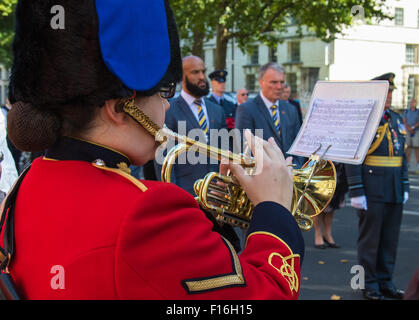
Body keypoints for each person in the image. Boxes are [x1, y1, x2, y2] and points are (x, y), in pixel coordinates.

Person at [0, 0, 304, 300]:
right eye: (163, 92)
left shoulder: (25, 185)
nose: (167, 105)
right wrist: (272, 207)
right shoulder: (147, 210)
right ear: (119, 109)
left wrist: (212, 222)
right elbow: (266, 294)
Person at [345, 73, 409, 300]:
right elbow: (354, 156)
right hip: (371, 189)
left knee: (389, 240)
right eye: (386, 92)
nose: (390, 96)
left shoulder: (395, 119)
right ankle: (367, 285)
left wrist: (404, 184)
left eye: (391, 92)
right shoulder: (364, 119)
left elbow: (402, 156)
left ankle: (385, 282)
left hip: (392, 188)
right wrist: (356, 190)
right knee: (369, 242)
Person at [235, 62, 304, 168]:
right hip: (263, 178)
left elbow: (299, 145)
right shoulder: (246, 109)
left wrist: (296, 170)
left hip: (291, 177)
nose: (279, 86)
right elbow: (245, 150)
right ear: (261, 82)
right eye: (274, 82)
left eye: (282, 82)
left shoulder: (291, 109)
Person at [312, 163, 348, 249]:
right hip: (320, 166)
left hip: (338, 165)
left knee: (332, 203)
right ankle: (318, 234)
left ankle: (327, 234)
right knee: (318, 203)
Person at [403, 98, 419, 168]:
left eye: (414, 102)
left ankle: (418, 163)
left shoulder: (418, 111)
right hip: (408, 131)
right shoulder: (406, 111)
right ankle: (407, 162)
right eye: (411, 102)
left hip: (416, 131)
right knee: (408, 147)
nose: (412, 103)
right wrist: (408, 128)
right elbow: (404, 120)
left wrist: (413, 128)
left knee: (416, 147)